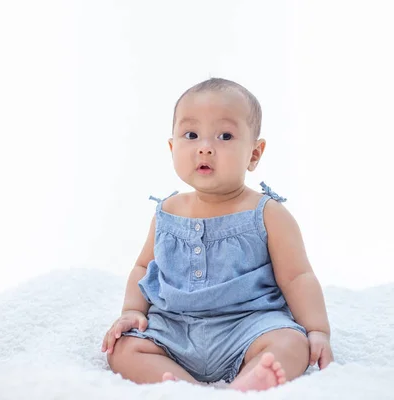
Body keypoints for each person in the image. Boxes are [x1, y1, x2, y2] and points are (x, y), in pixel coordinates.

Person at [101, 78, 333, 391]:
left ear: (254, 153)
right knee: (122, 349)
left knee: (292, 343)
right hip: (174, 329)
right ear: (172, 148)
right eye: (191, 134)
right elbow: (144, 268)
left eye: (225, 135)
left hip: (249, 326)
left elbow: (297, 277)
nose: (205, 147)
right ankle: (185, 388)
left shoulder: (267, 213)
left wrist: (317, 330)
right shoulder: (168, 211)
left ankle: (249, 380)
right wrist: (131, 312)